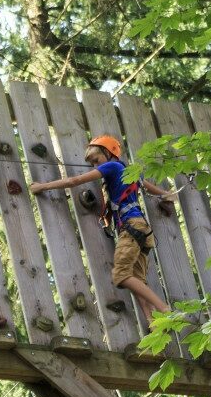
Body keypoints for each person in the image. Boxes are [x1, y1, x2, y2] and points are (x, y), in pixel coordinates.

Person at [30, 133, 176, 320]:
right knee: (137, 280)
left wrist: (42, 187)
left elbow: (73, 182)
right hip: (142, 231)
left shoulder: (112, 166)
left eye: (96, 159)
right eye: (91, 163)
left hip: (131, 228)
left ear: (109, 153)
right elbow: (154, 189)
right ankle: (153, 323)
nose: (95, 166)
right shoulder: (131, 171)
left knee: (121, 276)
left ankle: (164, 309)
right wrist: (168, 195)